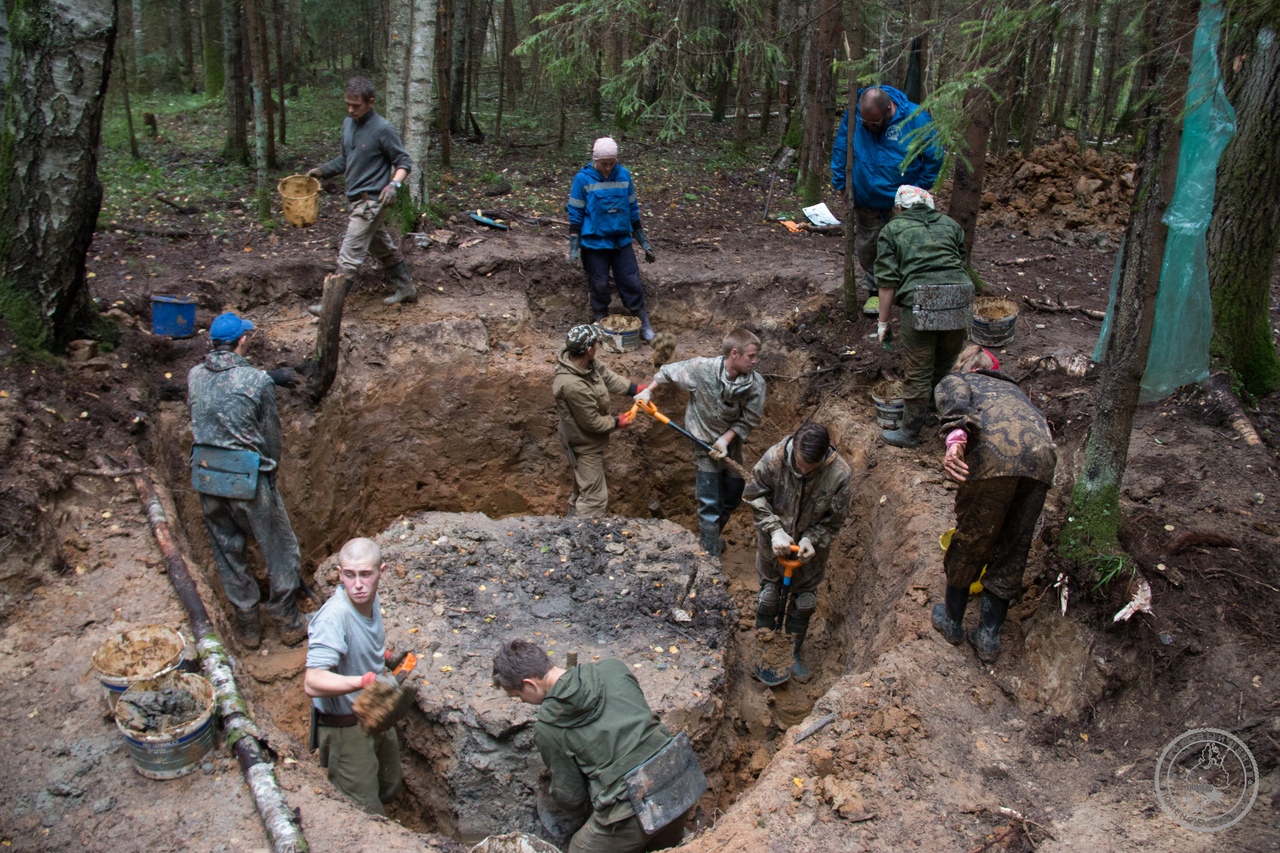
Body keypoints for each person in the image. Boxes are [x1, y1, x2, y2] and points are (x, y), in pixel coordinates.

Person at [493, 638, 693, 853]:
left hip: (636, 808)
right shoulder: (613, 668)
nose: (522, 702)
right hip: (682, 779)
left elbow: (571, 798)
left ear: (529, 684)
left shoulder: (548, 728)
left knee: (579, 848)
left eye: (518, 696)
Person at [931, 344, 1057, 664]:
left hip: (995, 458)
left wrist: (955, 441)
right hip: (1041, 461)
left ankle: (953, 621)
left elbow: (956, 403)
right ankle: (988, 637)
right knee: (1015, 543)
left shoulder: (960, 380)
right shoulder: (1015, 390)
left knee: (972, 537)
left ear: (965, 366)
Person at [187, 312, 306, 648]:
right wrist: (270, 473)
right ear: (241, 341)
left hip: (206, 475)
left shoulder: (194, 375)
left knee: (228, 551)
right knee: (281, 550)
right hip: (248, 477)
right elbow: (271, 438)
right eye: (247, 337)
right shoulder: (257, 381)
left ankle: (249, 627)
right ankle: (289, 621)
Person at [635, 328, 765, 556]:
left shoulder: (755, 385)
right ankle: (709, 560)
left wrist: (725, 441)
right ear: (734, 353)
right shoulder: (702, 369)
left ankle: (709, 540)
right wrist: (648, 392)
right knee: (709, 505)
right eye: (751, 356)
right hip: (703, 444)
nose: (755, 361)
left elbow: (749, 419)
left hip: (729, 447)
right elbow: (668, 373)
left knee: (734, 495)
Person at [743, 423, 852, 680]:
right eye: (799, 465)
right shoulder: (774, 459)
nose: (802, 472)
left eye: (809, 469)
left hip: (808, 556)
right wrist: (774, 530)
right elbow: (753, 495)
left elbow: (835, 520)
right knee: (769, 597)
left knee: (804, 603)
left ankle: (792, 653)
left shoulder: (839, 474)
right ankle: (765, 648)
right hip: (773, 548)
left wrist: (812, 539)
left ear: (823, 457)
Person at [304, 537, 404, 814]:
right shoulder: (333, 618)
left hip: (376, 714)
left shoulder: (369, 599)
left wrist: (385, 657)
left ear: (381, 573)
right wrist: (364, 681)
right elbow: (313, 681)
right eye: (349, 575)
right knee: (363, 810)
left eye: (365, 575)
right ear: (340, 574)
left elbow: (362, 640)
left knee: (390, 783)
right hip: (344, 727)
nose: (357, 584)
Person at [305, 76, 415, 315]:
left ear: (371, 102)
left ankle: (330, 306)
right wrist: (321, 171)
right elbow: (346, 159)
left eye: (356, 105)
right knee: (381, 246)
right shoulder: (348, 124)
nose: (350, 109)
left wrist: (393, 185)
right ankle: (406, 288)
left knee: (349, 254)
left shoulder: (383, 129)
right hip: (355, 199)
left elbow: (404, 162)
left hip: (372, 201)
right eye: (348, 104)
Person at [875, 185, 974, 448]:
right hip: (960, 296)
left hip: (923, 299)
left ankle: (909, 433)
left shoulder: (892, 229)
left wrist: (883, 323)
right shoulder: (951, 225)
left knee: (918, 371)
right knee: (944, 364)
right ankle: (934, 409)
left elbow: (886, 282)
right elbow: (959, 263)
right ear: (930, 205)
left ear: (898, 207)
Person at [830, 85, 944, 311]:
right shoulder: (855, 116)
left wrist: (919, 189)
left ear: (888, 109)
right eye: (865, 122)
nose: (868, 126)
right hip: (866, 196)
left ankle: (903, 290)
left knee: (904, 244)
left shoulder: (916, 118)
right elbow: (842, 147)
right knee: (869, 245)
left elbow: (934, 155)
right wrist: (841, 183)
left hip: (902, 201)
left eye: (874, 122)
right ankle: (874, 291)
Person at [567, 137, 657, 341]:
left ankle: (641, 319)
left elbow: (633, 210)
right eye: (604, 164)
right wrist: (574, 248)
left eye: (611, 163)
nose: (608, 168)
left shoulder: (623, 175)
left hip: (621, 241)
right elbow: (575, 213)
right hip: (594, 243)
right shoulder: (583, 179)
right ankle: (600, 318)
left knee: (631, 280)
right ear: (594, 159)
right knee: (598, 283)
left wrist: (644, 242)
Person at [553, 324, 644, 516]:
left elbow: (608, 378)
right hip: (582, 442)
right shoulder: (572, 385)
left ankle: (570, 528)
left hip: (583, 436)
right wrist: (616, 422)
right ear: (588, 349)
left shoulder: (585, 363)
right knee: (595, 498)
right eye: (596, 343)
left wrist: (635, 389)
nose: (598, 345)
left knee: (584, 486)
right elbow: (592, 422)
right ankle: (583, 538)